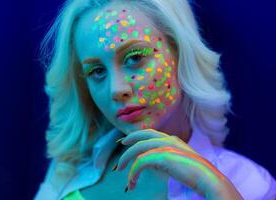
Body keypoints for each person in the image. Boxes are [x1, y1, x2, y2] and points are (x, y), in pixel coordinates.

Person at [34, 0, 276, 199]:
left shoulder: (249, 183)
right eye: (97, 71)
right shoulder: (69, 171)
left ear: (180, 51)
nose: (116, 90)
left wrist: (215, 189)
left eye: (134, 58)